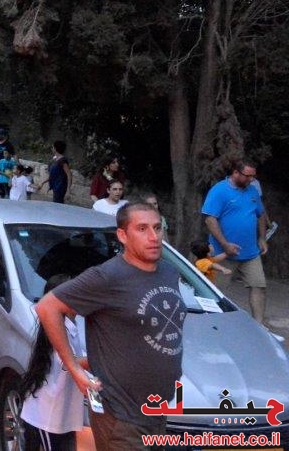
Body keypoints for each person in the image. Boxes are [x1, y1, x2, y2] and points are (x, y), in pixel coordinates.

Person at [36, 203, 186, 448]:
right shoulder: (107, 276)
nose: (153, 236)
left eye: (157, 228)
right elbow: (47, 307)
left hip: (157, 410)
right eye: (142, 229)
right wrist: (74, 368)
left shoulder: (168, 272)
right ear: (122, 235)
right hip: (120, 415)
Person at [19, 274, 85, 451]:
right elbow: (70, 361)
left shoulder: (72, 326)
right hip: (47, 416)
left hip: (61, 415)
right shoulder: (57, 330)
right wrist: (103, 359)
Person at [202, 159, 269, 322]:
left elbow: (260, 214)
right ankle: (214, 324)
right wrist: (225, 245)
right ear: (236, 173)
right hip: (223, 253)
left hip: (250, 252)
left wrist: (262, 238)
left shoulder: (252, 191)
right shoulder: (219, 191)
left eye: (253, 176)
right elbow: (210, 219)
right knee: (215, 292)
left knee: (258, 286)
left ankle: (259, 326)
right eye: (247, 176)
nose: (251, 180)